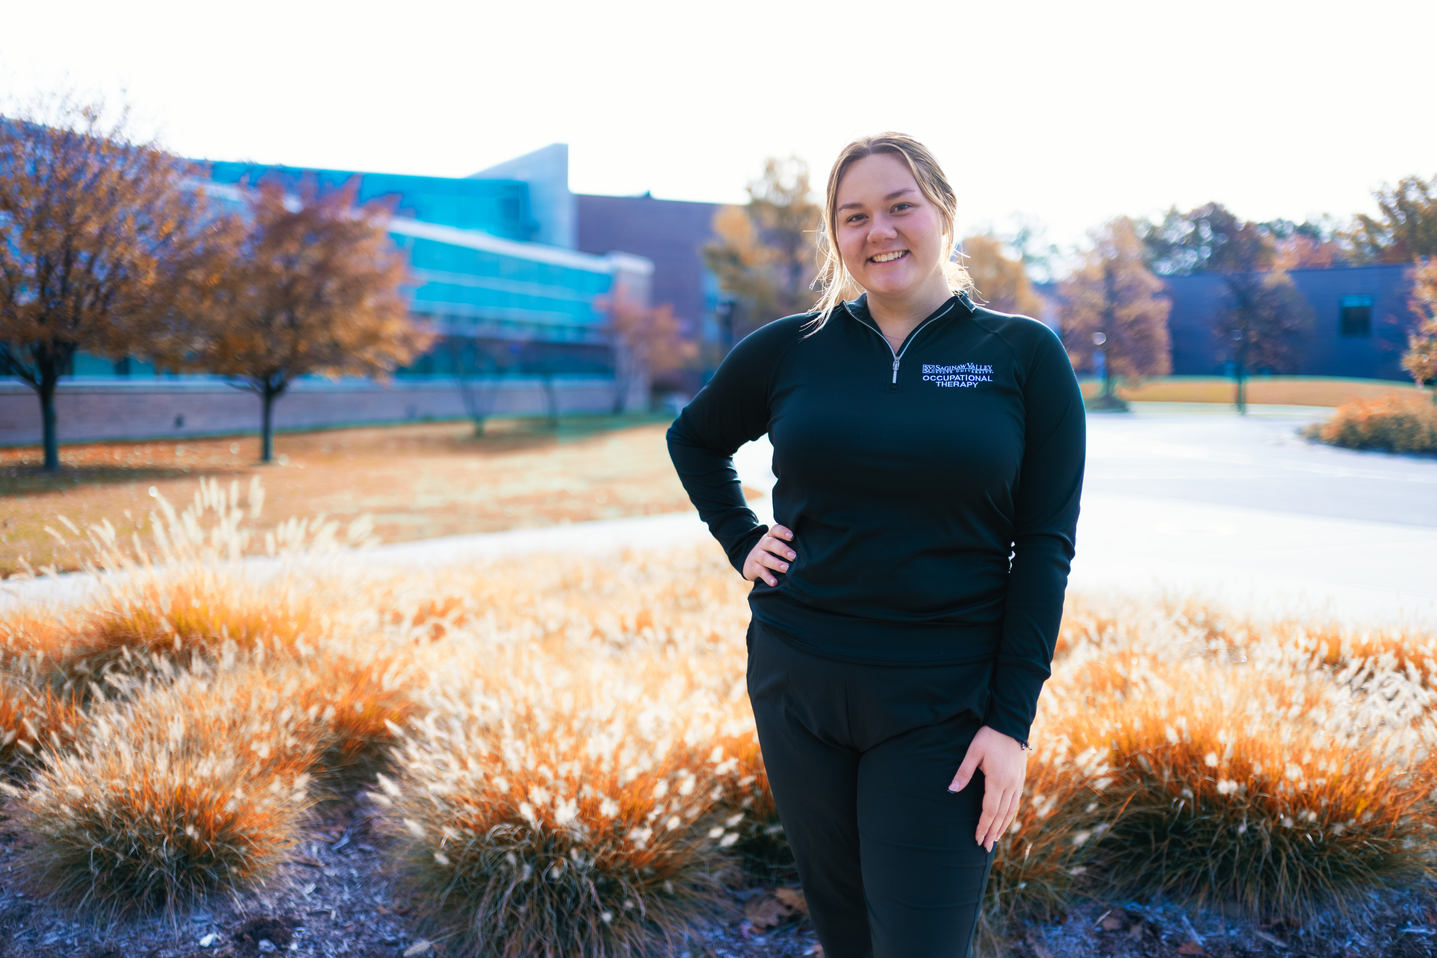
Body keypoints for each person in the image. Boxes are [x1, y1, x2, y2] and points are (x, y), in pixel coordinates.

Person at [666, 132, 1086, 957]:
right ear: (835, 236)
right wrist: (741, 537)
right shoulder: (794, 348)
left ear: (943, 213)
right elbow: (694, 439)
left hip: (941, 704)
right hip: (799, 684)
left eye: (899, 207)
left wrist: (1010, 723)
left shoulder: (1022, 356)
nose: (878, 232)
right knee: (848, 935)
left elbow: (1043, 548)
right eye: (852, 216)